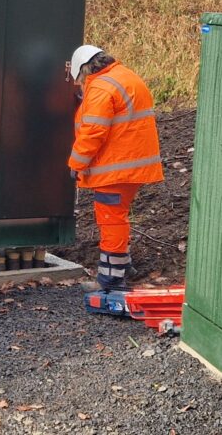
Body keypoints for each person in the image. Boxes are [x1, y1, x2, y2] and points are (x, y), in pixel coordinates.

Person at [66, 45, 164, 291]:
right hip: (132, 166)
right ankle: (123, 264)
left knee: (110, 220)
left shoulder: (101, 87)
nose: (80, 83)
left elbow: (93, 131)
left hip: (115, 169)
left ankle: (111, 279)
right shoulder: (126, 76)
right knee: (117, 216)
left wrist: (76, 163)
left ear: (84, 70)